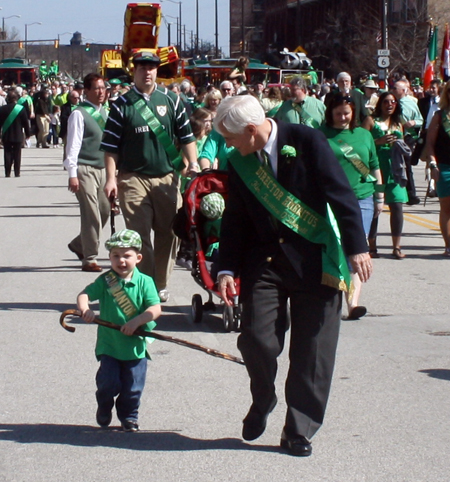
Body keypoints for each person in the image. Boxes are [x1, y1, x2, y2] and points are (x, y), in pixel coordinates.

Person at [215, 96, 372, 456]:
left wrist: (357, 247)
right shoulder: (240, 161)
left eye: (230, 137)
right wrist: (226, 268)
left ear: (251, 130)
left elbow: (340, 193)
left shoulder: (307, 140)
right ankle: (263, 397)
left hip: (315, 259)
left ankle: (298, 430)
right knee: (256, 339)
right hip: (266, 260)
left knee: (313, 352)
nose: (228, 145)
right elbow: (235, 218)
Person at [102, 51, 197, 302]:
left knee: (169, 233)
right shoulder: (122, 104)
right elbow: (111, 148)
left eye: (152, 67)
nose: (148, 72)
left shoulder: (172, 100)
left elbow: (187, 137)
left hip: (166, 177)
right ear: (134, 71)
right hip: (133, 178)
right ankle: (146, 286)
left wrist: (193, 164)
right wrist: (111, 179)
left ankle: (160, 283)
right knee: (139, 235)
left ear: (157, 71)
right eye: (143, 67)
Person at [76, 229, 161, 431]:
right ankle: (104, 406)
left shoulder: (145, 282)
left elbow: (155, 309)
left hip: (135, 348)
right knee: (108, 384)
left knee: (133, 388)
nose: (121, 261)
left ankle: (129, 417)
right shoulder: (106, 281)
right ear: (109, 257)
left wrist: (137, 321)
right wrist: (85, 309)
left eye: (127, 256)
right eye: (116, 255)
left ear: (138, 258)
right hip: (110, 345)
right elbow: (84, 295)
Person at [320, 93, 382, 319]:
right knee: (336, 245)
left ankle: (353, 303)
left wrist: (379, 196)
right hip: (331, 199)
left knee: (358, 245)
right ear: (330, 113)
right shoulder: (320, 135)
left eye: (346, 113)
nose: (343, 117)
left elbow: (374, 165)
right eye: (338, 113)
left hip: (362, 197)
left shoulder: (364, 135)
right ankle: (333, 294)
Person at [64, 73, 110, 272]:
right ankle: (89, 257)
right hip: (85, 168)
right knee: (91, 212)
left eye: (103, 88)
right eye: (97, 88)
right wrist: (72, 173)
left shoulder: (106, 112)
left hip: (104, 168)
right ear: (87, 91)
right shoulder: (79, 114)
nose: (101, 92)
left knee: (104, 210)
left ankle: (79, 244)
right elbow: (73, 145)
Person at [363, 92, 409, 259]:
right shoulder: (370, 121)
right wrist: (378, 142)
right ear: (380, 104)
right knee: (375, 208)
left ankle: (396, 247)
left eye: (393, 102)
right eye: (386, 102)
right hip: (376, 169)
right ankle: (372, 246)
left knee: (397, 206)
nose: (390, 105)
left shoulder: (398, 123)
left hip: (394, 169)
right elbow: (361, 144)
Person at [424, 80, 450, 257]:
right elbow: (430, 144)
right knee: (447, 209)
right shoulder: (439, 116)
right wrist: (433, 164)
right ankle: (448, 246)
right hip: (445, 167)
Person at [392, 80, 423, 205]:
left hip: (407, 137)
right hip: (393, 136)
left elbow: (420, 119)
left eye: (395, 88)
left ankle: (411, 194)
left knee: (407, 165)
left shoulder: (411, 103)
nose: (393, 90)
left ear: (403, 90)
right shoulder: (390, 102)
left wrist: (414, 122)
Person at [0, 89, 31, 177]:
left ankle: (7, 172)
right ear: (17, 98)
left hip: (6, 134)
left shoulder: (2, 109)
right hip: (18, 135)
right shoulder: (21, 109)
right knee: (17, 154)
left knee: (7, 153)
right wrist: (28, 134)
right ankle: (17, 172)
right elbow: (25, 123)